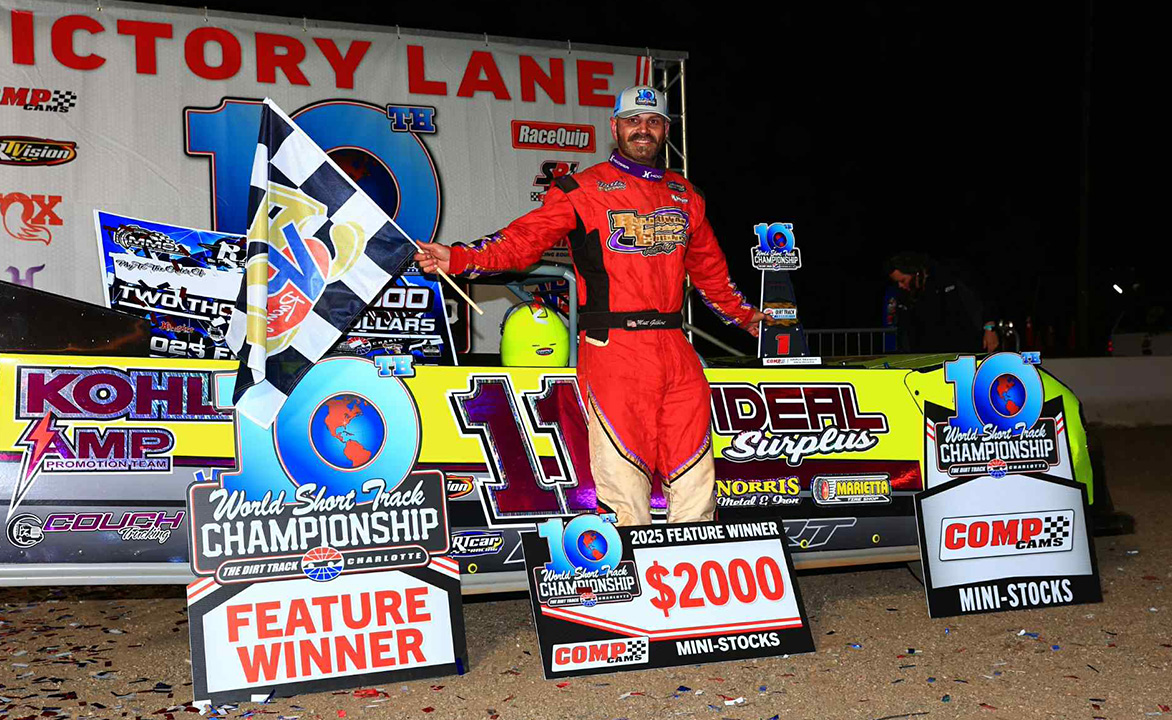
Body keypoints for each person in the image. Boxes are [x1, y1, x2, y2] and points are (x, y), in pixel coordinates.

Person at [415, 85, 767, 526]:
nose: (644, 129)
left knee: (694, 469)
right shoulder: (582, 189)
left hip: (675, 347)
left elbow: (711, 270)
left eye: (654, 121)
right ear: (615, 127)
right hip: (613, 347)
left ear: (665, 130)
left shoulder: (686, 195)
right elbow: (523, 242)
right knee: (624, 474)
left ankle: (690, 568)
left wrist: (745, 316)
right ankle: (634, 574)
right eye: (633, 121)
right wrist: (462, 257)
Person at [884, 252, 998, 354]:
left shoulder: (948, 275)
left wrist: (989, 327)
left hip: (964, 351)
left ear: (916, 273)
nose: (900, 286)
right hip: (928, 356)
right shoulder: (906, 296)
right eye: (897, 282)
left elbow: (982, 296)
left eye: (903, 280)